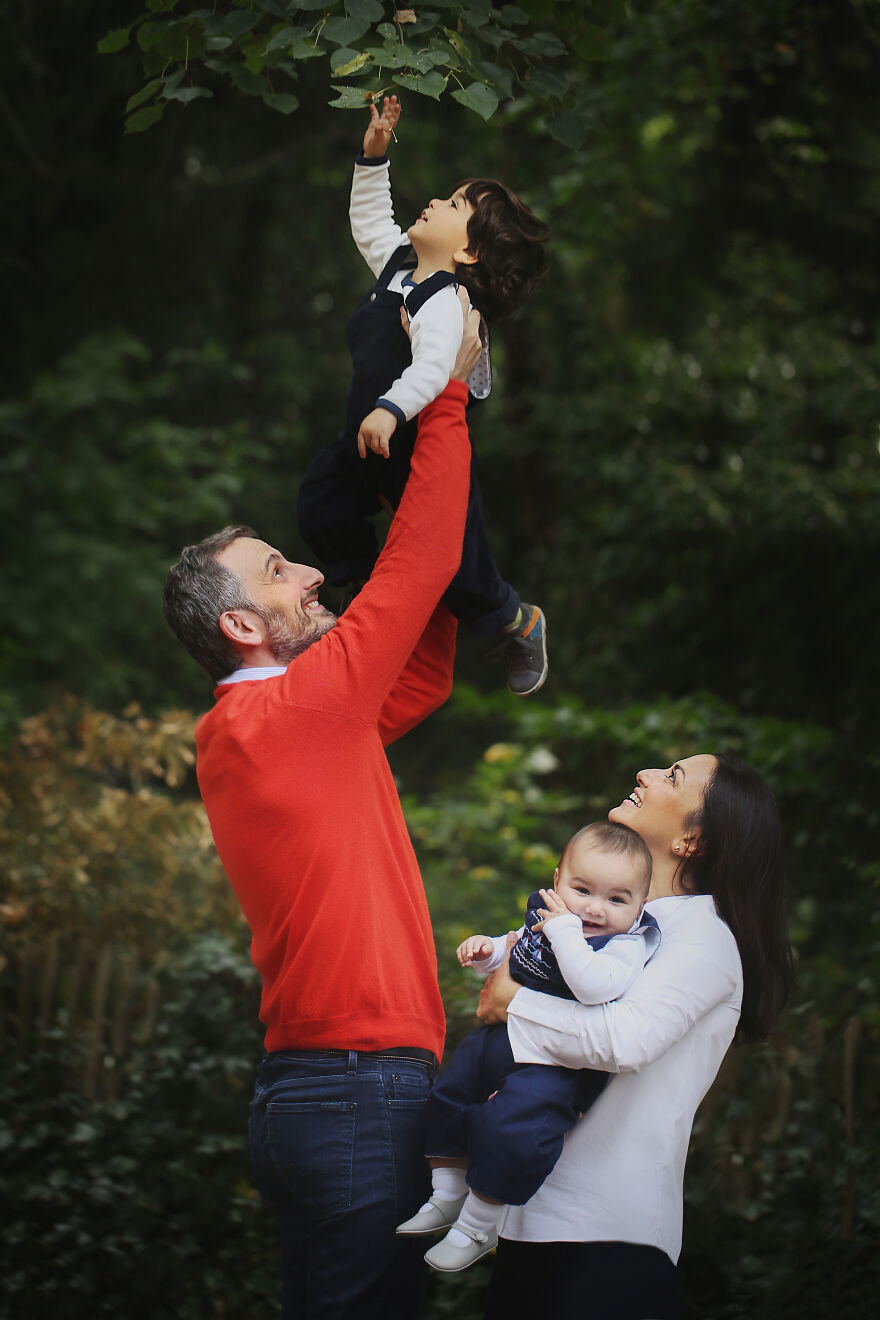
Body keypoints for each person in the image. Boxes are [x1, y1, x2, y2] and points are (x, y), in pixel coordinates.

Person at [161, 298, 482, 1320]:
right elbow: (421, 567)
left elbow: (421, 672)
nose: (309, 573)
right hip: (358, 1091)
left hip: (316, 1093)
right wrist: (444, 403)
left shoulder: (254, 727)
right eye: (280, 572)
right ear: (244, 623)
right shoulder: (303, 707)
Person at [474, 754, 793, 1320]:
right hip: (532, 1220)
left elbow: (626, 1041)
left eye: (673, 777)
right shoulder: (622, 920)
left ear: (692, 841)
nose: (646, 774)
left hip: (607, 1238)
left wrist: (513, 1005)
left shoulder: (706, 934)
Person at [296, 94, 552, 696]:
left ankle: (517, 620)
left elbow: (437, 366)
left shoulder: (443, 301)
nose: (436, 199)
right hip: (365, 445)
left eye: (455, 203)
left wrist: (389, 408)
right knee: (318, 503)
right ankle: (362, 586)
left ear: (466, 252)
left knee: (462, 576)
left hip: (418, 460)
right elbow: (368, 223)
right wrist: (373, 154)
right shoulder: (399, 267)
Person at [396, 821, 659, 1273]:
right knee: (449, 1093)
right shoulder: (548, 918)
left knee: (515, 1128)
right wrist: (490, 952)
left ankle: (478, 1225)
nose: (596, 909)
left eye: (617, 899)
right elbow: (518, 949)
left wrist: (565, 932)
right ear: (558, 880)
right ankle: (445, 1192)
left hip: (554, 1065)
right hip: (502, 1037)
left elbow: (594, 988)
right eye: (582, 890)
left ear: (640, 906)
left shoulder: (624, 946)